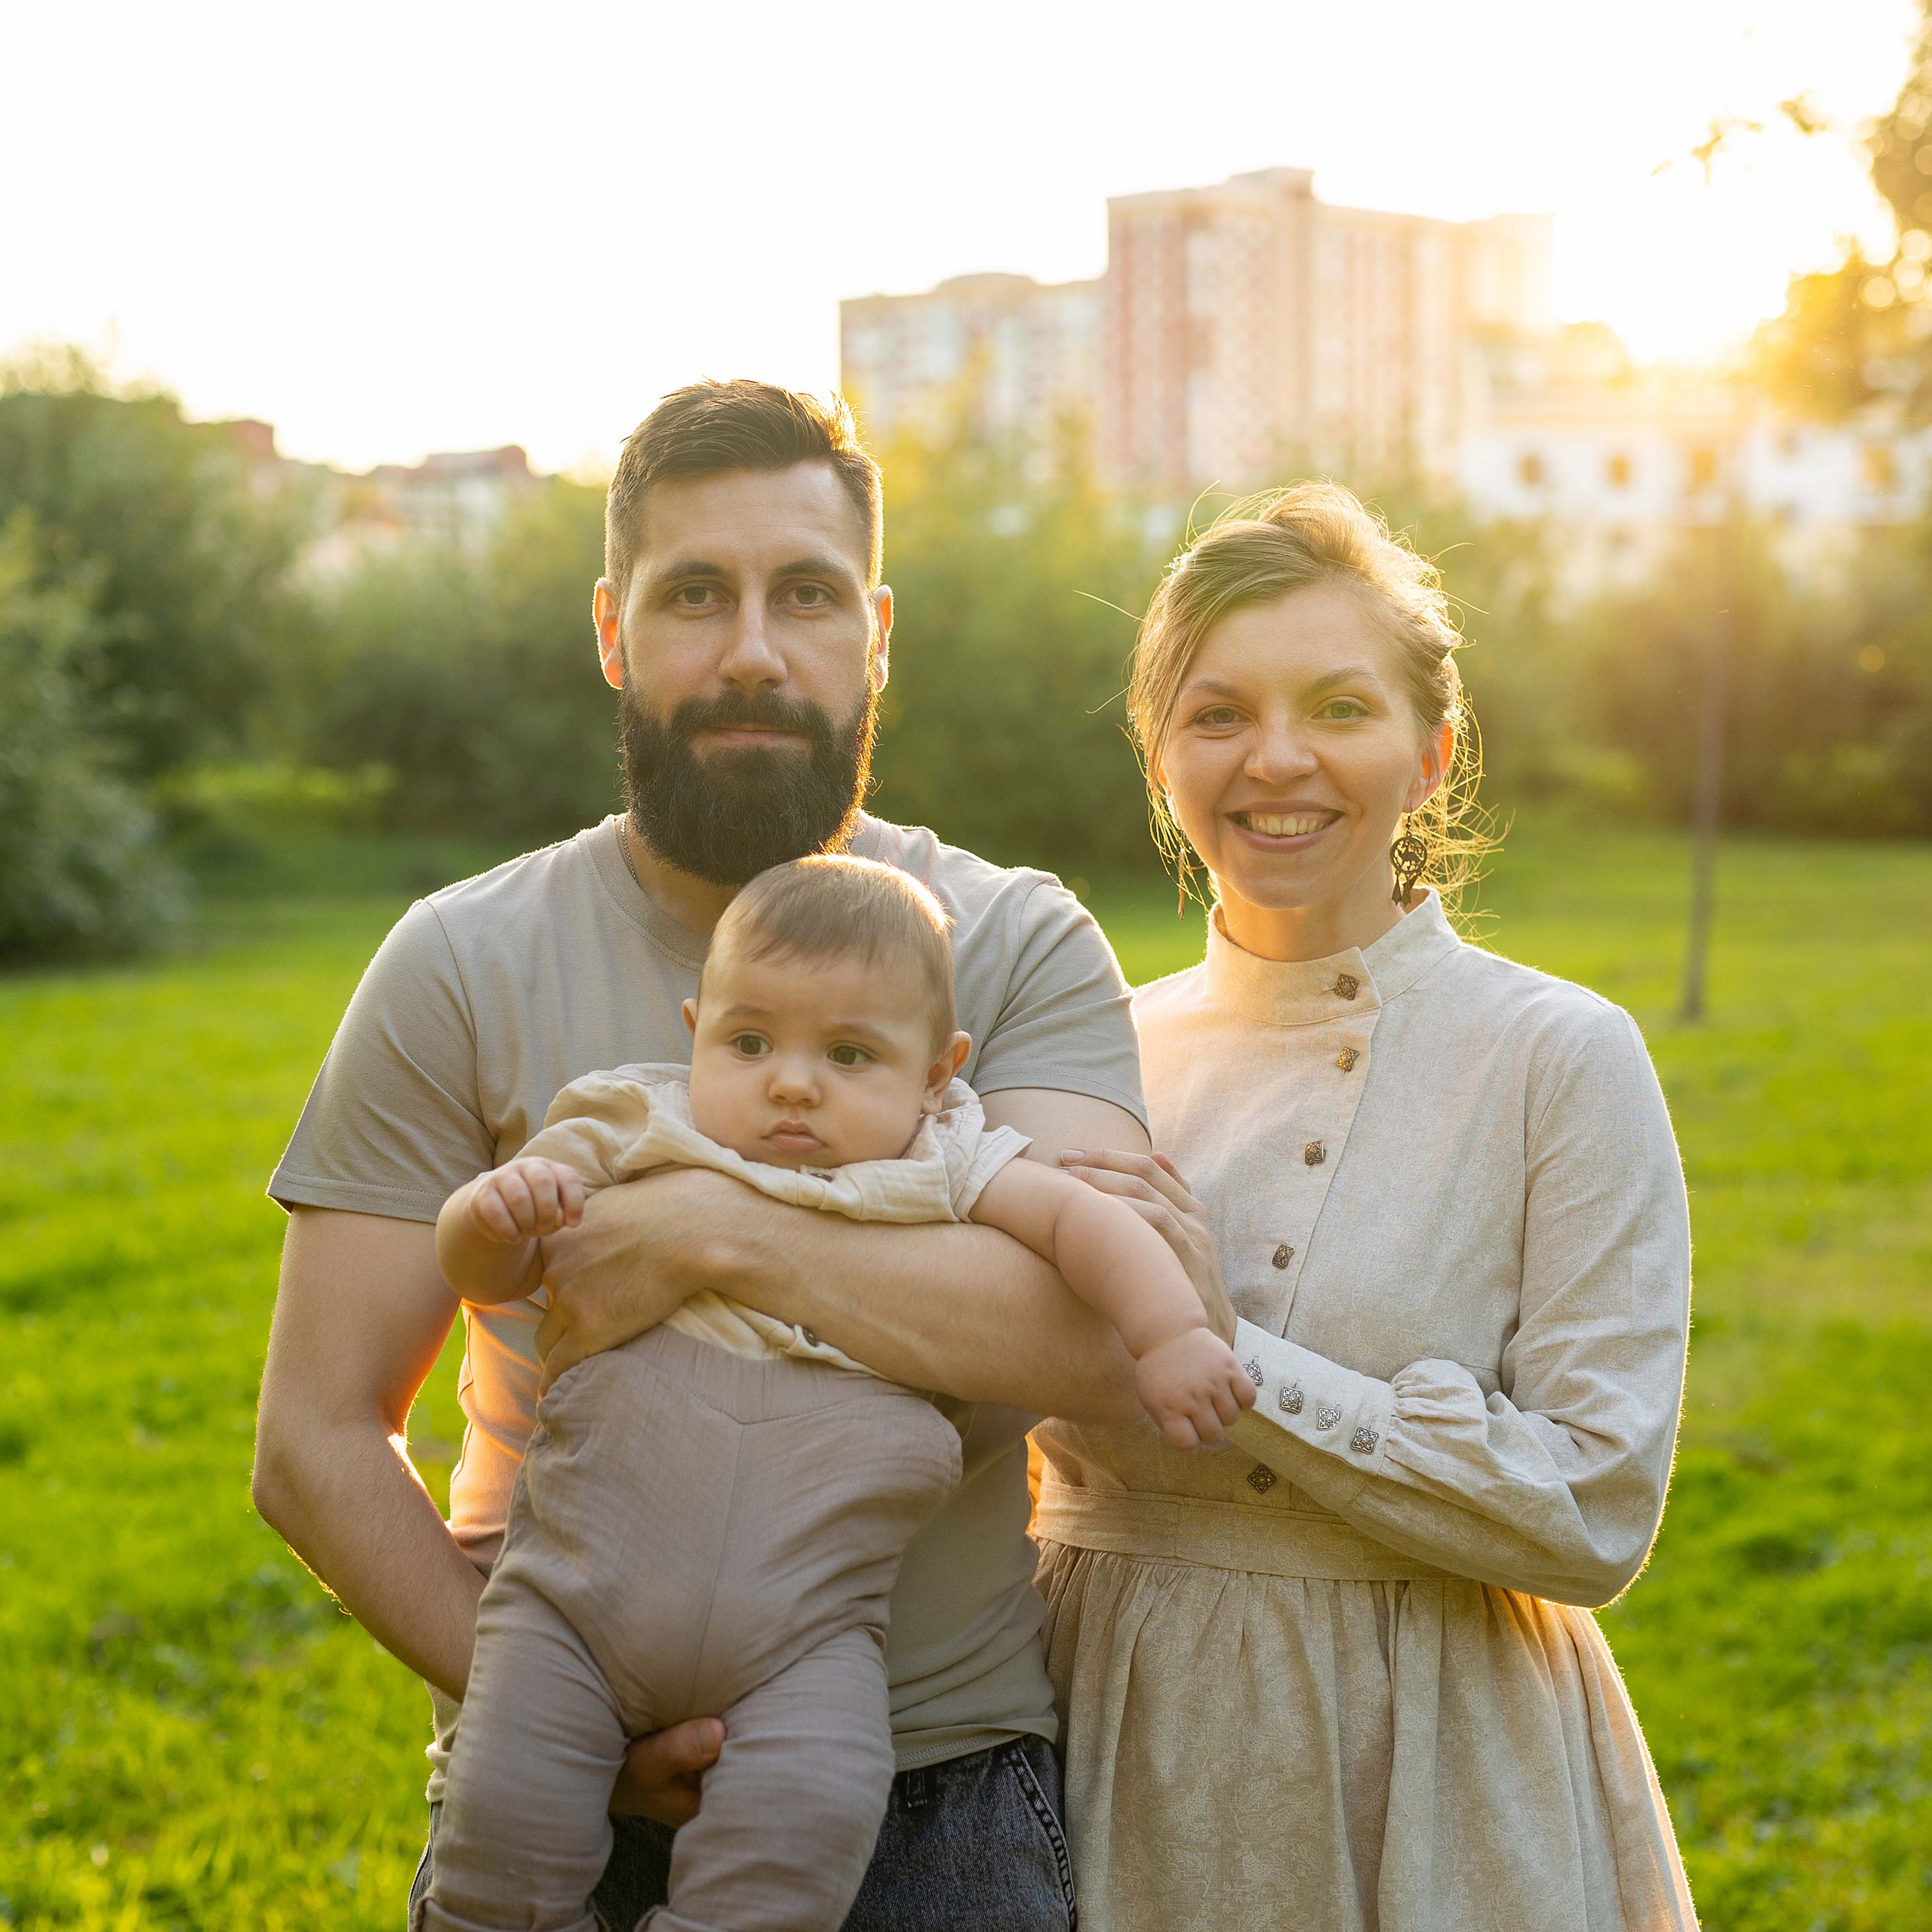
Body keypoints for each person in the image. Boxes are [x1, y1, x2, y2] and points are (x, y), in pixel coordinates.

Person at [252, 380, 1180, 1931]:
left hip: (936, 1790)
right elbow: (319, 1435)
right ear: (614, 632)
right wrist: (565, 1705)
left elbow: (1086, 1335)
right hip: (552, 1791)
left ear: (874, 635)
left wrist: (710, 1236)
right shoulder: (458, 961)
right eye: (696, 595)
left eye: (804, 595)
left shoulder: (1014, 942)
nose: (752, 648)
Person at [1035, 482, 1697, 1930]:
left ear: (1429, 751)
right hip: (1106, 1750)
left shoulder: (1558, 1057)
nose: (1278, 759)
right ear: (1161, 759)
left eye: (1339, 705)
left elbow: (1594, 1509)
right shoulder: (1088, 1060)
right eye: (1217, 715)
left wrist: (1236, 1359)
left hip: (1440, 1775)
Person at [420, 856, 1251, 1932]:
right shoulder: (636, 1122)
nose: (792, 1083)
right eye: (749, 1041)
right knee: (503, 1826)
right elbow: (483, 1274)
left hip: (809, 1636)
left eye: (850, 1053)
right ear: (695, 1029)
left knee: (806, 1816)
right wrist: (493, 1220)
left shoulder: (944, 1160)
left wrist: (1173, 1331)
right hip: (573, 1609)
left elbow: (1084, 1228)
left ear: (937, 1072)